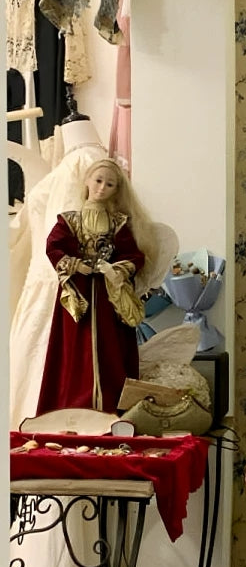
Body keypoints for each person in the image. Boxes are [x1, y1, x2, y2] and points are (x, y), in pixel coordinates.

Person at [36, 156, 154, 414]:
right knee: (76, 348)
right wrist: (75, 265)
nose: (102, 188)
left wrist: (116, 270)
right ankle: (75, 406)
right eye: (98, 181)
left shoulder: (118, 223)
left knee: (110, 348)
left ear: (116, 190)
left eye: (109, 184)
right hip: (78, 294)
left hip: (107, 296)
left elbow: (134, 256)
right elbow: (53, 247)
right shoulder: (70, 220)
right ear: (87, 181)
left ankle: (111, 406)